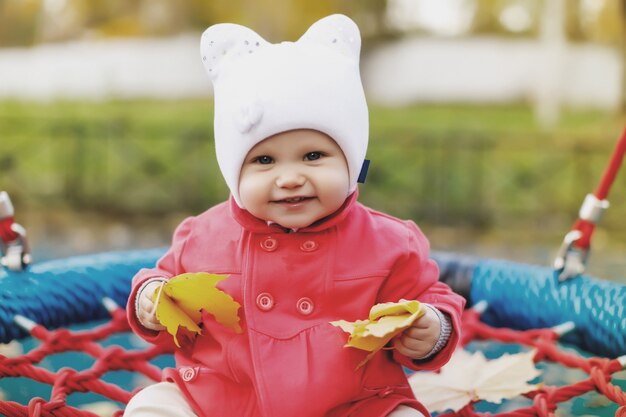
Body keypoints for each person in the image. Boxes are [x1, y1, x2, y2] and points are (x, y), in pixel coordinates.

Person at [125, 14, 465, 417]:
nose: (290, 178)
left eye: (314, 156)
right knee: (150, 406)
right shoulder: (202, 235)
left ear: (352, 161)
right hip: (220, 400)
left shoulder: (390, 242)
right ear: (234, 173)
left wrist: (433, 328)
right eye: (264, 160)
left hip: (355, 404)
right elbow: (164, 289)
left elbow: (431, 298)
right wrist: (149, 298)